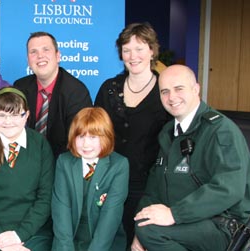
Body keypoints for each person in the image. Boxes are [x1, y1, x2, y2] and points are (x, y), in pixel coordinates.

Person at [131, 65, 250, 251]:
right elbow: (153, 190)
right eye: (165, 91)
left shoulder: (220, 130)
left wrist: (175, 214)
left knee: (152, 232)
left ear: (196, 89)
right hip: (188, 219)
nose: (172, 97)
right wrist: (140, 227)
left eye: (179, 89)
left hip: (221, 223)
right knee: (143, 228)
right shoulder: (168, 133)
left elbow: (228, 189)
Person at [93, 22, 171, 246]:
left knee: (139, 240)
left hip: (150, 184)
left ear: (152, 51)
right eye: (126, 50)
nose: (132, 55)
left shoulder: (165, 91)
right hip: (109, 180)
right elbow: (97, 132)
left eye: (139, 48)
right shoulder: (109, 88)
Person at [0, 87, 54, 251]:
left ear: (26, 115)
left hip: (33, 232)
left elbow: (46, 197)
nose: (8, 121)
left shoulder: (40, 145)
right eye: (1, 115)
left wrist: (20, 235)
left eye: (15, 114)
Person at [52, 107, 129, 251]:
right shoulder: (64, 161)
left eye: (93, 137)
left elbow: (110, 216)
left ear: (106, 137)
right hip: (69, 241)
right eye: (81, 137)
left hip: (104, 243)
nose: (86, 144)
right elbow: (61, 210)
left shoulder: (119, 165)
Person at [14, 31, 92, 158]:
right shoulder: (20, 87)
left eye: (46, 50)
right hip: (25, 162)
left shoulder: (76, 92)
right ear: (28, 60)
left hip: (62, 165)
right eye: (33, 52)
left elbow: (79, 141)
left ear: (58, 56)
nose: (40, 56)